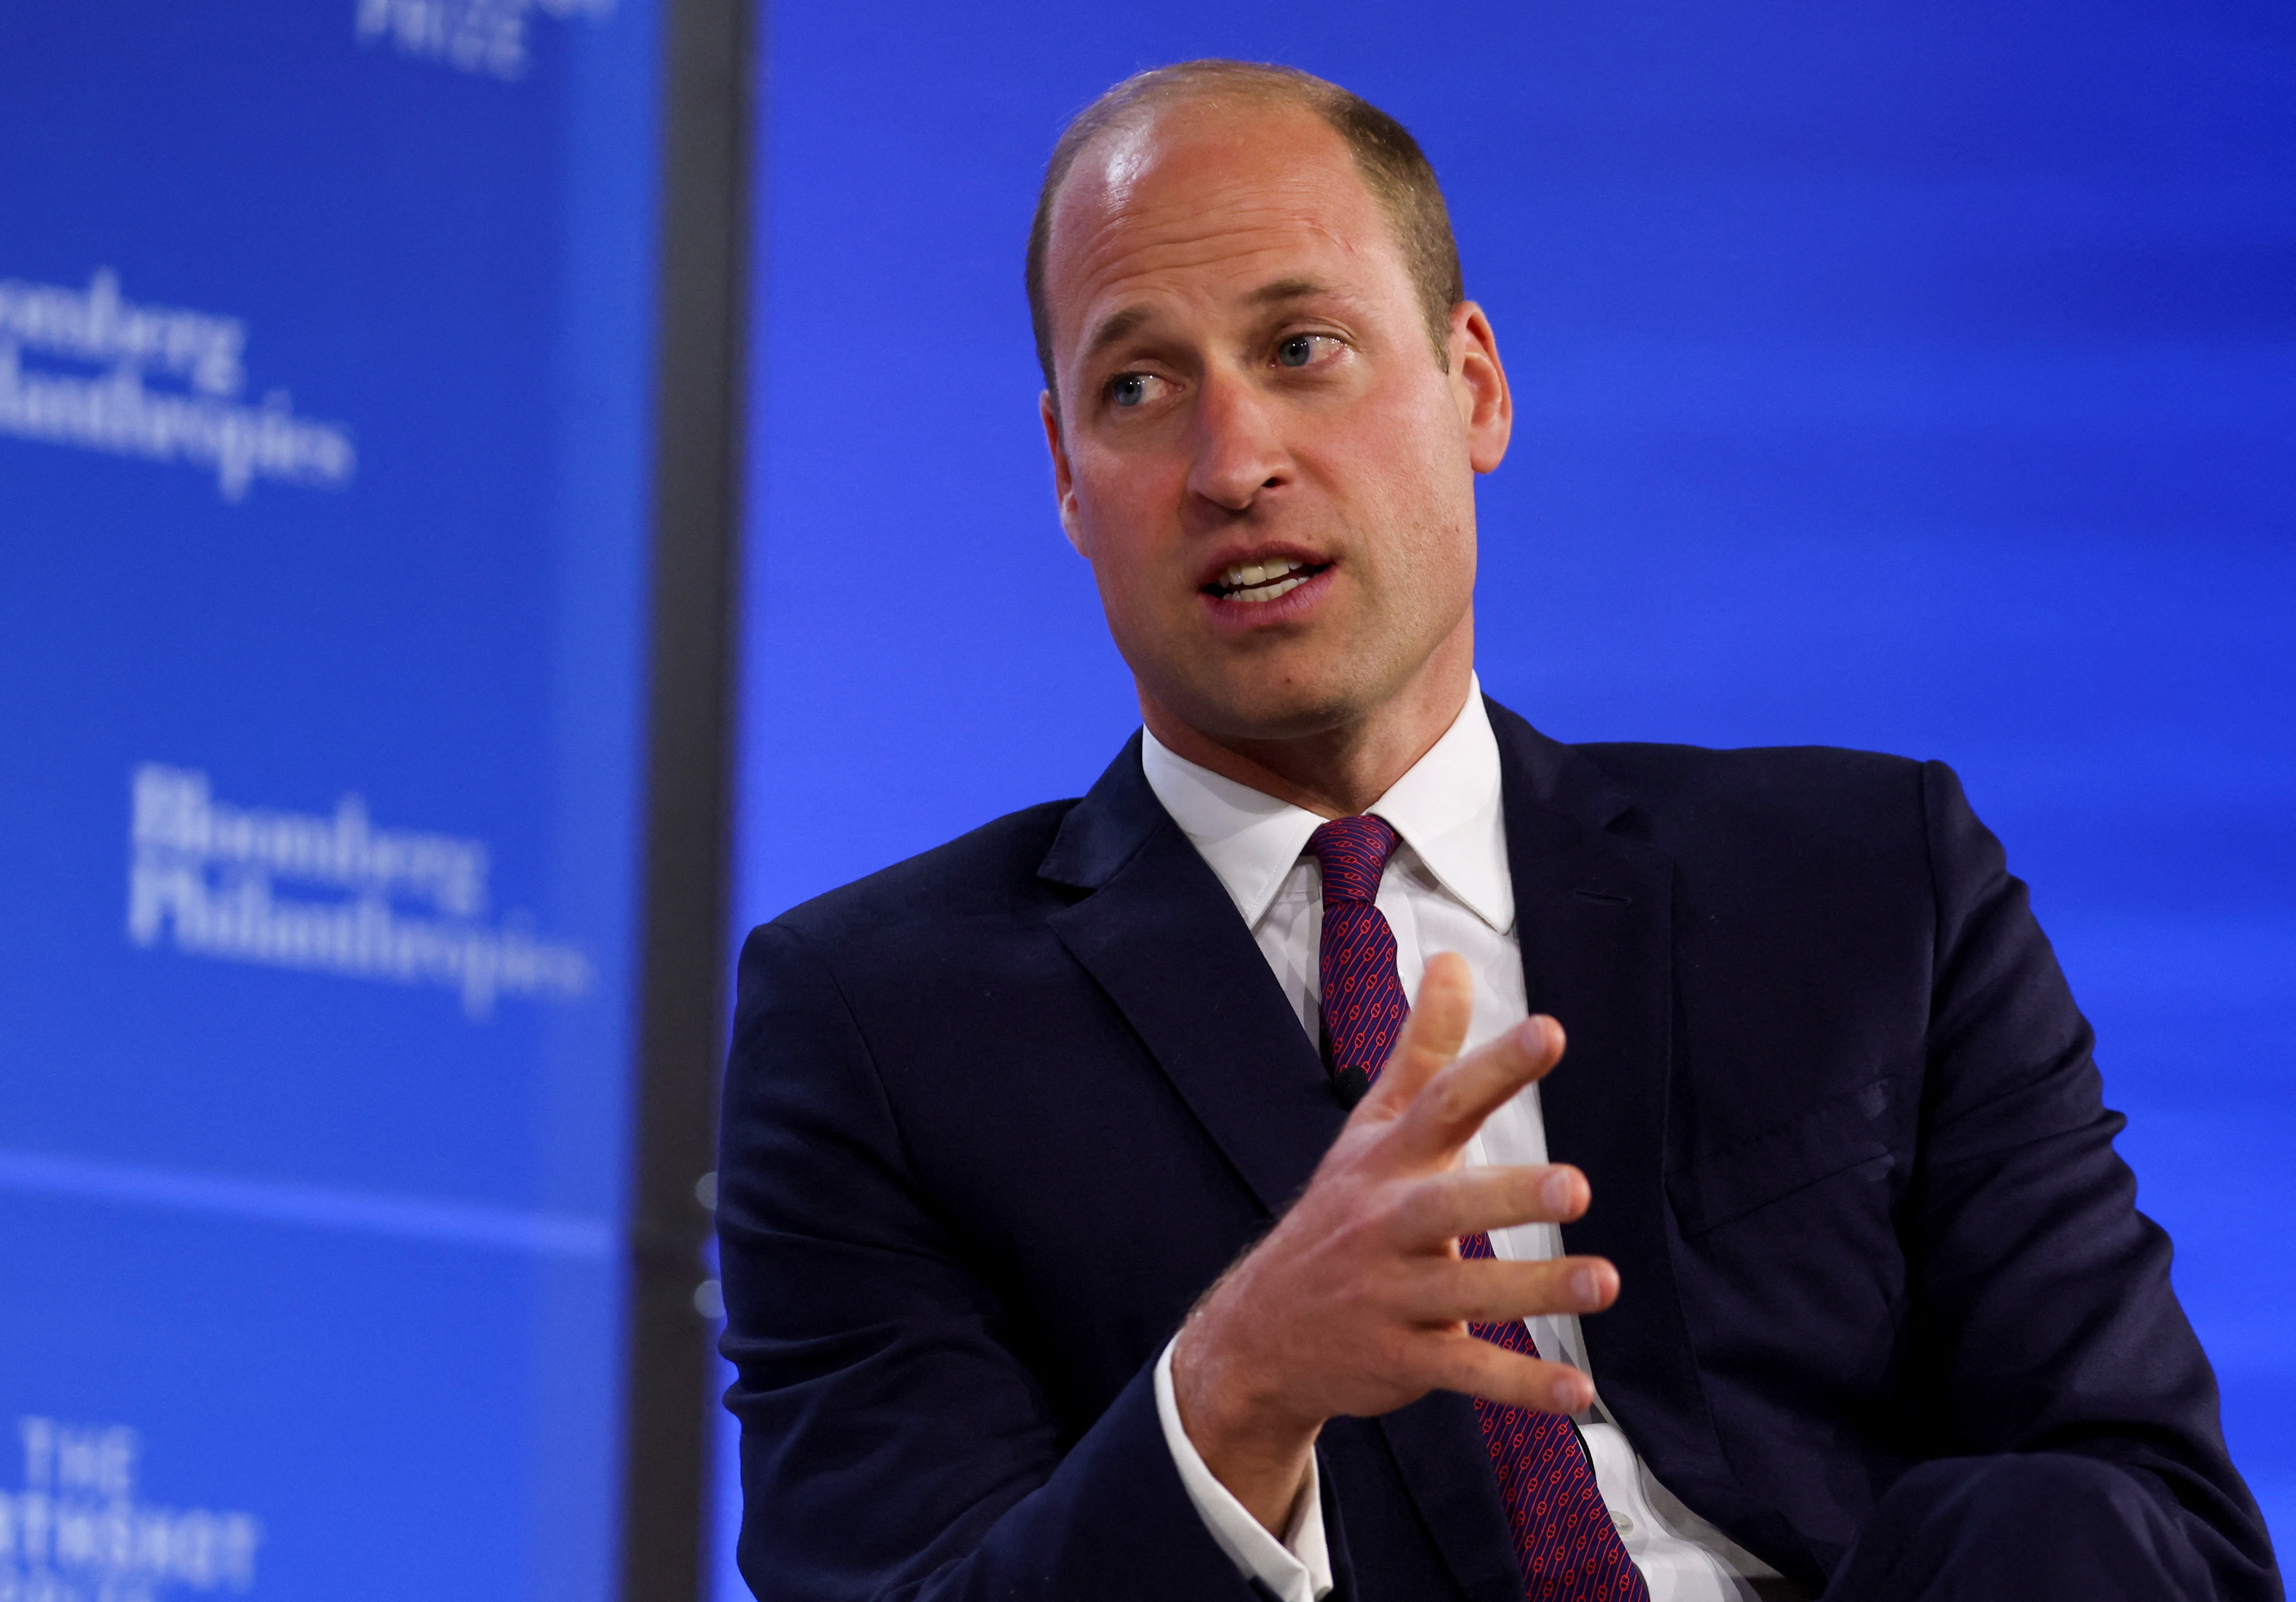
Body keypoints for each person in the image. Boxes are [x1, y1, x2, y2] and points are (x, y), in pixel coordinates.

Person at [715, 60, 2280, 1602]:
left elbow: (2157, 1514)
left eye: (1303, 346)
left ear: (1474, 384)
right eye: (1139, 386)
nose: (1233, 460)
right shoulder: (875, 1029)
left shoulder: (1870, 880)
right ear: (1067, 471)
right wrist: (1235, 1390)